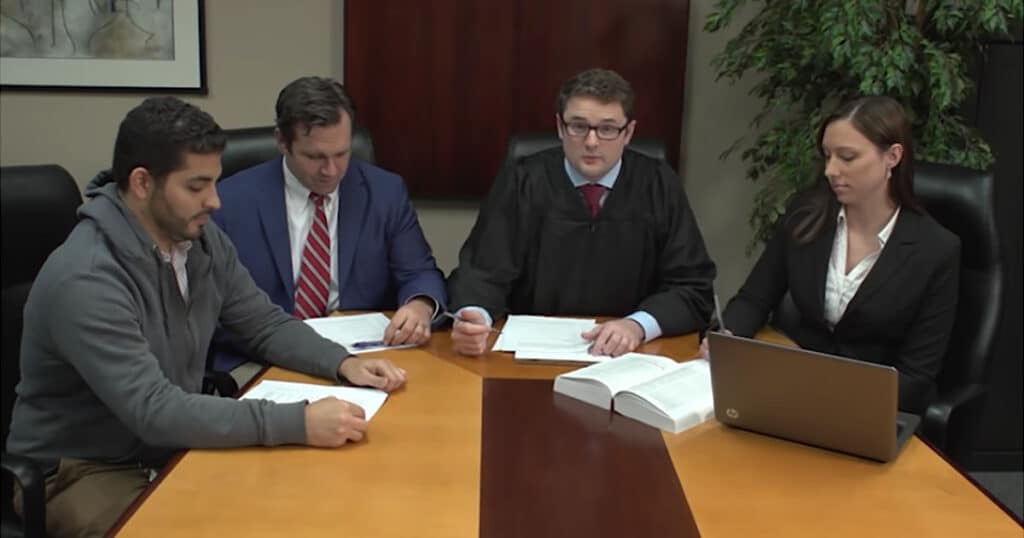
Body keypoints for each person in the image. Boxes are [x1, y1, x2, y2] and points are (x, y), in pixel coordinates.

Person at [5, 96, 407, 537]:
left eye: (214, 183)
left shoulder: (200, 241)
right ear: (142, 183)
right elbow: (154, 410)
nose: (214, 201)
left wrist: (342, 362)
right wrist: (298, 422)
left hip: (166, 446)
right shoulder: (87, 277)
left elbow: (264, 324)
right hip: (78, 471)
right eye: (196, 187)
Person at [702, 96, 960, 415]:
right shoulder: (806, 217)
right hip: (790, 397)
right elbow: (754, 299)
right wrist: (728, 337)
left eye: (847, 157)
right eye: (827, 156)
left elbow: (916, 377)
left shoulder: (936, 250)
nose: (830, 170)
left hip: (873, 412)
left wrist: (826, 395)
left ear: (892, 157)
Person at [447, 68, 716, 357]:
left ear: (629, 133)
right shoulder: (523, 180)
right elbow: (482, 272)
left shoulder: (658, 184)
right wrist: (475, 318)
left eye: (608, 129)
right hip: (524, 357)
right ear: (560, 128)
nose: (591, 142)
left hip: (630, 359)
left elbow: (692, 286)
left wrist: (637, 326)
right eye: (578, 126)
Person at [212, 76, 446, 371]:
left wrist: (420, 306)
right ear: (282, 142)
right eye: (315, 157)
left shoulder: (384, 193)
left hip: (365, 356)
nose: (331, 171)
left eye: (341, 153)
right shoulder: (228, 202)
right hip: (263, 361)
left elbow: (419, 271)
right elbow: (216, 313)